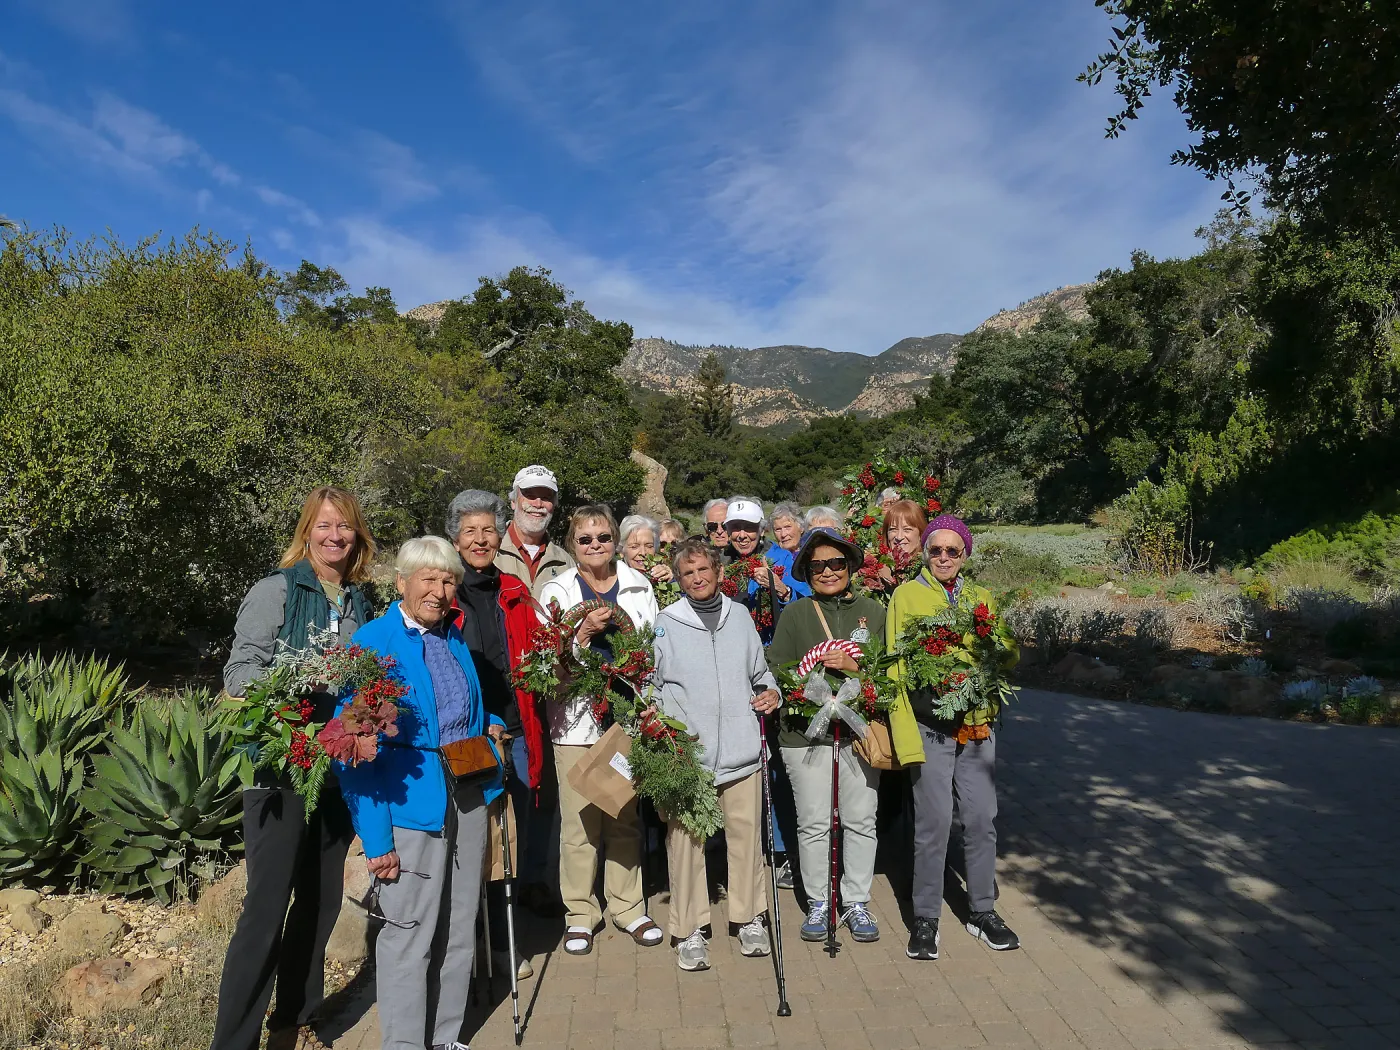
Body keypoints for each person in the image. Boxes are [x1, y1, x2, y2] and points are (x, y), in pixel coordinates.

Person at [212, 486, 376, 1050]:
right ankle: (233, 1041)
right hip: (281, 770)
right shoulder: (276, 590)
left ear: (357, 536)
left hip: (335, 773)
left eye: (345, 527)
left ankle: (295, 1020)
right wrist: (293, 696)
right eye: (325, 525)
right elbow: (240, 673)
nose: (335, 536)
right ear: (307, 530)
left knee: (321, 898)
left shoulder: (358, 601)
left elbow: (361, 680)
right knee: (266, 906)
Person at [338, 536, 507, 1050]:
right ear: (402, 583)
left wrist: (490, 724)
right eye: (428, 579)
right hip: (411, 809)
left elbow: (458, 710)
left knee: (459, 928)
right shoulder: (373, 644)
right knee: (408, 934)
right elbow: (353, 748)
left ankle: (446, 1037)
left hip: (468, 794)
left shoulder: (452, 636)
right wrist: (376, 839)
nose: (439, 591)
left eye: (448, 580)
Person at [886, 515, 1021, 962]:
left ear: (966, 554)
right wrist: (905, 737)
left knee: (982, 819)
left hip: (977, 727)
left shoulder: (981, 598)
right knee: (934, 824)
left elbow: (1007, 652)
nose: (944, 558)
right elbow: (896, 669)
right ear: (925, 552)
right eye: (936, 550)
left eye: (953, 551)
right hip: (929, 728)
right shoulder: (906, 596)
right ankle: (925, 917)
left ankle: (983, 910)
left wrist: (994, 644)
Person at [538, 506, 664, 955]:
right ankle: (580, 913)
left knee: (623, 815)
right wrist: (581, 636)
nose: (596, 546)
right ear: (573, 544)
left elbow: (653, 646)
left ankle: (628, 906)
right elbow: (543, 659)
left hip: (625, 716)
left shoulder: (637, 584)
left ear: (616, 539)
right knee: (579, 821)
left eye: (604, 537)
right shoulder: (556, 589)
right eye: (586, 538)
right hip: (574, 720)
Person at [651, 539, 781, 971]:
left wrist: (771, 694)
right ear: (679, 579)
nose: (698, 578)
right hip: (689, 755)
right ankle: (689, 929)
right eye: (688, 573)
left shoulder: (740, 616)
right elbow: (651, 686)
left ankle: (749, 918)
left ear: (719, 572)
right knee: (686, 844)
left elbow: (760, 674)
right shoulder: (665, 623)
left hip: (743, 753)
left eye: (704, 569)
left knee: (747, 840)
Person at [445, 489, 555, 978]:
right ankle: (473, 945)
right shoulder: (444, 594)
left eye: (488, 529)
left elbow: (536, 650)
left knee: (513, 834)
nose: (480, 539)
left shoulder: (513, 589)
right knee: (476, 839)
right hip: (470, 738)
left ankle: (503, 943)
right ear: (455, 538)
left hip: (518, 729)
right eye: (470, 531)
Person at [766, 527, 886, 944]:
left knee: (860, 820)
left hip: (858, 735)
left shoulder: (874, 611)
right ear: (806, 572)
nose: (828, 571)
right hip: (805, 737)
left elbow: (890, 674)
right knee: (814, 822)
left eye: (836, 563)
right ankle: (819, 900)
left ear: (850, 566)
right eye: (817, 566)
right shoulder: (797, 614)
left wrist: (857, 669)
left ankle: (855, 900)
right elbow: (775, 669)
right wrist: (806, 679)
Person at [722, 498, 809, 645]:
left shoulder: (781, 558)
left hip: (770, 646)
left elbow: (806, 605)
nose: (742, 535)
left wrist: (782, 590)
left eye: (749, 527)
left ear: (761, 531)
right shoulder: (720, 562)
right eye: (736, 527)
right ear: (729, 532)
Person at [495, 465, 573, 597]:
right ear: (513, 501)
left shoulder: (565, 563)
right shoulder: (491, 552)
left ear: (554, 505)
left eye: (546, 498)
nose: (538, 504)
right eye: (530, 496)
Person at [866, 499, 929, 600]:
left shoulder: (929, 570)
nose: (899, 537)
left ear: (921, 533)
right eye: (893, 529)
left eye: (907, 529)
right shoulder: (875, 567)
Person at [620, 513, 673, 587]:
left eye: (649, 546)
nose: (643, 552)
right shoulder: (614, 579)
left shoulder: (661, 575)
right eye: (634, 547)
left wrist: (670, 581)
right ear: (622, 550)